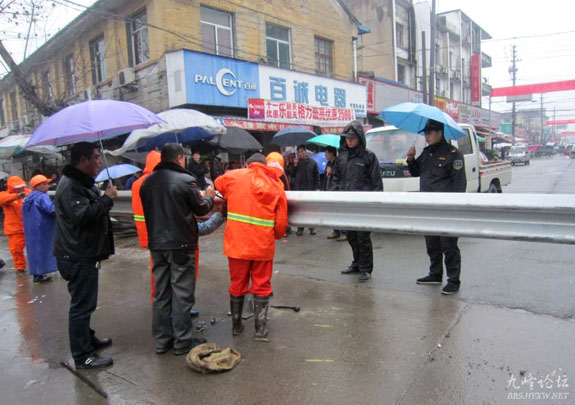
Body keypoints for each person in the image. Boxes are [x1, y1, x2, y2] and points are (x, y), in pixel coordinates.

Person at [140, 143, 215, 355]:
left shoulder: (147, 183)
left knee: (161, 293)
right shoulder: (185, 180)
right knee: (182, 294)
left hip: (157, 244)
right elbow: (201, 208)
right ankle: (182, 340)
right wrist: (209, 196)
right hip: (180, 243)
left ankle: (162, 340)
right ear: (180, 158)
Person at [53, 142, 118, 369]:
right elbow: (82, 216)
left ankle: (87, 339)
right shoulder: (71, 186)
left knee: (86, 303)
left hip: (82, 252)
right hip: (77, 255)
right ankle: (83, 356)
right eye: (96, 157)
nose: (99, 162)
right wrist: (107, 199)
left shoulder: (81, 183)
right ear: (83, 160)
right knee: (81, 306)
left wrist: (103, 197)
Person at [215, 153, 288, 341]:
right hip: (262, 246)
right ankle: (260, 330)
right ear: (266, 165)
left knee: (237, 284)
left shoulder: (234, 177)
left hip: (237, 245)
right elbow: (281, 225)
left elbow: (218, 184)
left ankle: (236, 327)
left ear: (248, 164)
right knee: (262, 286)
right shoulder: (276, 186)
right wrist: (275, 236)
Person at [406, 119, 466, 295]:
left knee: (449, 245)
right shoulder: (426, 153)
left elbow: (459, 184)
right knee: (432, 243)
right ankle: (435, 274)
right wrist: (411, 159)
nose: (427, 136)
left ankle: (453, 280)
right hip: (428, 207)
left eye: (430, 133)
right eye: (425, 133)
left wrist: (454, 207)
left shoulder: (453, 154)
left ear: (440, 133)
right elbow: (416, 172)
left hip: (446, 208)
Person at [329, 121, 383, 282]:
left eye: (352, 137)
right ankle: (357, 263)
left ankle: (366, 268)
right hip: (347, 204)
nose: (349, 140)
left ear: (359, 138)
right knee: (351, 236)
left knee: (363, 237)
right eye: (347, 137)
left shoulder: (369, 157)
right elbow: (335, 179)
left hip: (363, 205)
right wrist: (334, 195)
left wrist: (374, 202)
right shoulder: (341, 158)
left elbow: (376, 183)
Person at [22, 175, 57, 284]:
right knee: (44, 250)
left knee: (35, 251)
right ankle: (40, 274)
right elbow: (51, 210)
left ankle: (37, 274)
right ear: (38, 186)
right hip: (43, 228)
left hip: (31, 229)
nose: (48, 186)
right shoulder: (42, 197)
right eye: (45, 184)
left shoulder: (29, 197)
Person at [0, 176, 31, 274]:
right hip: (15, 229)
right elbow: (2, 199)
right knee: (16, 250)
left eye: (21, 187)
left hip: (29, 227)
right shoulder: (5, 195)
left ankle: (38, 267)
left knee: (35, 248)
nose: (20, 189)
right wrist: (16, 196)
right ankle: (20, 267)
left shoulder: (28, 192)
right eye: (17, 188)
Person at [294, 145, 320, 236]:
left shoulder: (312, 163)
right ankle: (300, 228)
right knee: (299, 210)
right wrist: (295, 166)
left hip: (309, 188)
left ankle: (312, 227)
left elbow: (316, 176)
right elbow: (292, 174)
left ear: (305, 152)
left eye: (301, 151)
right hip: (299, 190)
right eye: (298, 152)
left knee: (310, 210)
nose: (300, 154)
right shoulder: (297, 163)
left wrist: (317, 188)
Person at [323, 146, 347, 242]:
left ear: (331, 153)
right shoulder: (328, 163)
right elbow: (326, 176)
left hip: (337, 189)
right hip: (330, 189)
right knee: (332, 212)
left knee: (340, 212)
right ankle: (336, 231)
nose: (325, 155)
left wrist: (332, 172)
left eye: (326, 153)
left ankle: (344, 232)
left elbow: (341, 176)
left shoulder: (338, 163)